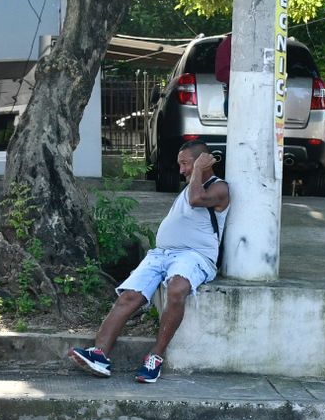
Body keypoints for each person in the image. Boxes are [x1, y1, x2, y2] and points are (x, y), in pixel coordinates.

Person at [69, 139, 230, 383]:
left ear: (202, 160)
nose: (182, 170)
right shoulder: (190, 185)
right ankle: (99, 354)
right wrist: (194, 170)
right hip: (161, 254)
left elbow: (197, 199)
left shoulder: (219, 188)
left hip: (195, 256)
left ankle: (155, 357)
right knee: (129, 296)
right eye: (182, 165)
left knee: (177, 289)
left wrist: (197, 169)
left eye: (185, 164)